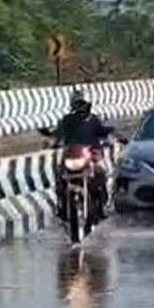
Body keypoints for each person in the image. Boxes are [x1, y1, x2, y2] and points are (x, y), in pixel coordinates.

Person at [49, 94, 113, 223]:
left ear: (88, 105)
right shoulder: (67, 120)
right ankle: (61, 206)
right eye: (78, 104)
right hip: (72, 154)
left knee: (101, 172)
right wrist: (54, 142)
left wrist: (109, 136)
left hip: (92, 153)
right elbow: (59, 133)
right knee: (59, 176)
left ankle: (102, 206)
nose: (81, 107)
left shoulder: (93, 119)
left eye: (83, 104)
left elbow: (102, 131)